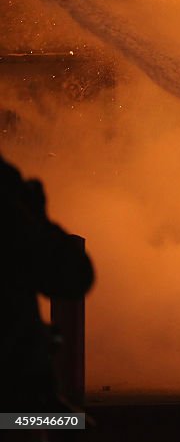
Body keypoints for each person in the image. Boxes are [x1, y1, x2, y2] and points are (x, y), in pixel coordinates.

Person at [0, 152, 94, 412]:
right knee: (68, 423)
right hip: (14, 397)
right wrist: (36, 216)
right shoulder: (9, 205)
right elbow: (73, 276)